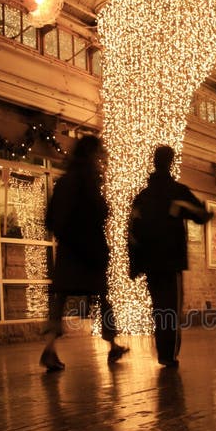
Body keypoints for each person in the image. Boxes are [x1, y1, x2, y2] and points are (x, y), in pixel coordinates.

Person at [40, 134, 128, 371]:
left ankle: (49, 349)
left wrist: (66, 236)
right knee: (102, 298)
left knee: (61, 300)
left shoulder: (66, 180)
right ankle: (112, 345)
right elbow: (100, 211)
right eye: (98, 154)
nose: (100, 159)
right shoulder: (87, 181)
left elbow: (51, 218)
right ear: (91, 155)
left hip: (70, 251)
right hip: (88, 252)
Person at [128, 144, 213, 368]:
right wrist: (206, 213)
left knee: (159, 308)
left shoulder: (142, 197)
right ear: (171, 162)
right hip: (171, 260)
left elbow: (132, 232)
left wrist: (134, 264)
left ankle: (162, 353)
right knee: (171, 309)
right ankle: (168, 355)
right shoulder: (177, 191)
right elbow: (199, 215)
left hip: (150, 263)